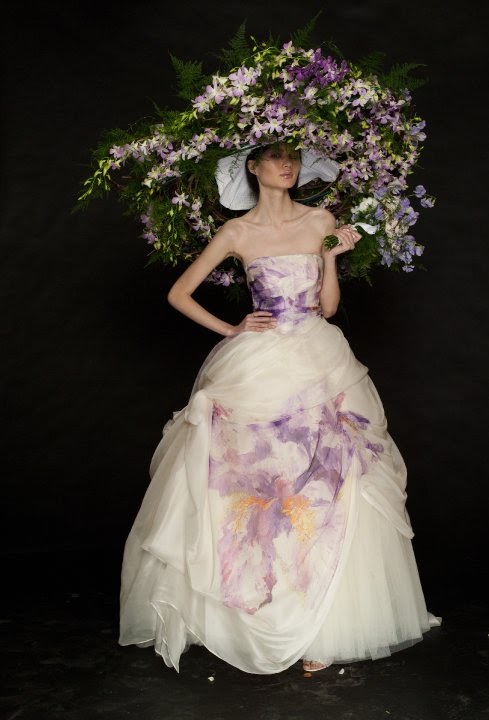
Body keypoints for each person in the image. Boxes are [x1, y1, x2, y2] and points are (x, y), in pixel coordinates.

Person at [119, 142, 439, 674]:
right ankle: (254, 611)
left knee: (329, 479)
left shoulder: (320, 220)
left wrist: (330, 256)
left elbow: (328, 308)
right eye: (274, 157)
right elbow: (179, 293)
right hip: (260, 362)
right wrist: (232, 328)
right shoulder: (236, 232)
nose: (287, 165)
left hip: (318, 354)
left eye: (293, 156)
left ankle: (325, 626)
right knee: (253, 480)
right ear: (253, 166)